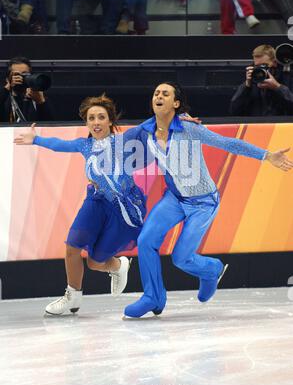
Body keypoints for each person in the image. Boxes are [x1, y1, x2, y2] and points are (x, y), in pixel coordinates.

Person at [124, 81, 293, 318]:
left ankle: (212, 270)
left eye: (165, 93)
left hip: (203, 202)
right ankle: (153, 297)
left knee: (181, 258)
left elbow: (228, 143)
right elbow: (119, 145)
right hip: (173, 198)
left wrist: (266, 156)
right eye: (155, 93)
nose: (158, 96)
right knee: (146, 240)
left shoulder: (189, 128)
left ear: (176, 103)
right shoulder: (144, 130)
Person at [13, 94, 148, 315]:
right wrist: (36, 139)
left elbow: (149, 127)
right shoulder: (84, 145)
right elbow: (59, 145)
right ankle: (72, 296)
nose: (96, 122)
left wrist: (178, 121)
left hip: (122, 207)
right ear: (86, 122)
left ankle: (117, 265)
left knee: (95, 263)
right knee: (72, 247)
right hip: (95, 202)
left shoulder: (122, 142)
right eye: (91, 118)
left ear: (110, 121)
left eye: (101, 117)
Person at [230, 44, 293, 116]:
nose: (261, 69)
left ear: (274, 63)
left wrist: (277, 87)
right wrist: (246, 86)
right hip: (256, 125)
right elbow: (234, 111)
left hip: (281, 125)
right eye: (257, 66)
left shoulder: (286, 78)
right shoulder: (251, 82)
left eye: (264, 65)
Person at [0, 56, 54, 123]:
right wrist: (7, 87)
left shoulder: (38, 96)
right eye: (16, 74)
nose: (21, 78)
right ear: (7, 79)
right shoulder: (4, 98)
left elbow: (51, 125)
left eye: (24, 74)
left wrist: (41, 102)